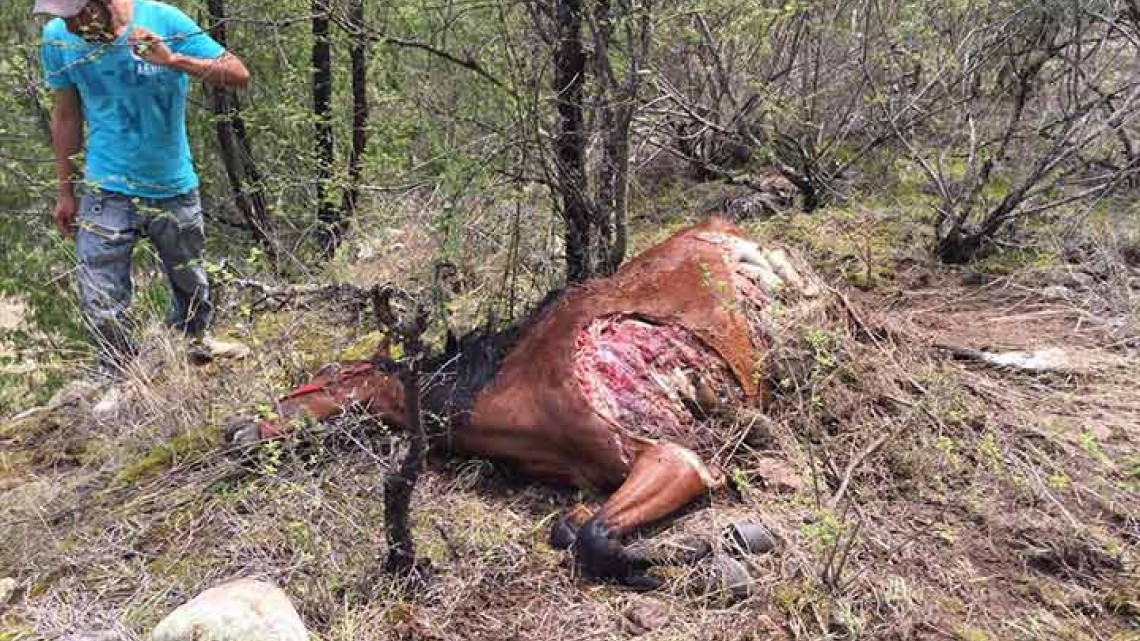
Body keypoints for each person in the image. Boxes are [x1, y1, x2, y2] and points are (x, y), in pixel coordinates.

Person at [36, 0, 251, 381]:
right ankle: (117, 374)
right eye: (61, 18)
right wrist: (65, 192)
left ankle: (193, 346)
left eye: (75, 15)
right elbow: (66, 115)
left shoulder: (162, 20)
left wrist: (173, 60)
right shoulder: (57, 39)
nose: (68, 27)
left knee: (191, 284)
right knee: (100, 294)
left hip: (171, 183)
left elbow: (237, 72)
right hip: (106, 188)